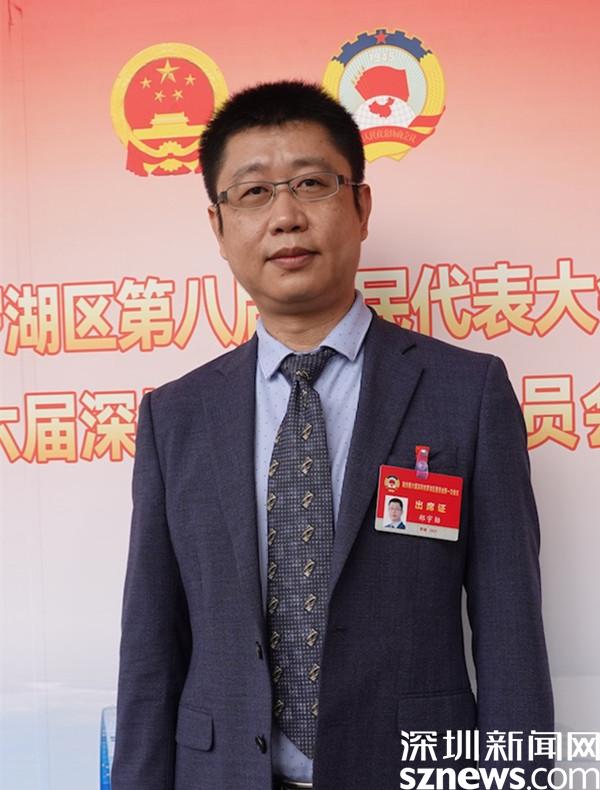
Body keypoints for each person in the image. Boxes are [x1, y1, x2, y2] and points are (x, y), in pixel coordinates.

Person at [111, 80, 553, 790]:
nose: (285, 217)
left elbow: (511, 635)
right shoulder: (176, 416)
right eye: (254, 193)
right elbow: (150, 647)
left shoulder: (467, 393)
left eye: (312, 184)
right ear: (218, 227)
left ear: (361, 206)